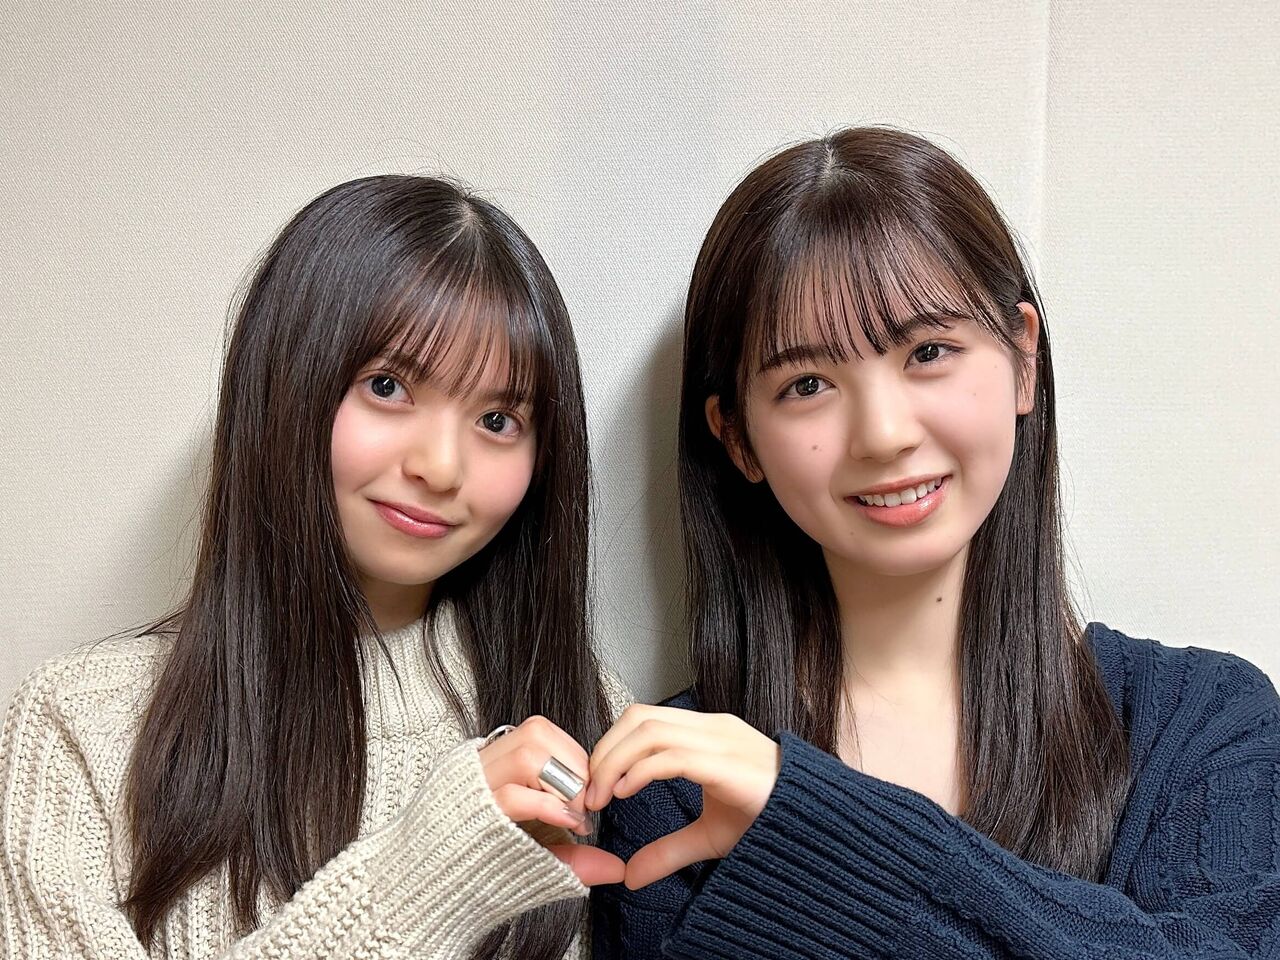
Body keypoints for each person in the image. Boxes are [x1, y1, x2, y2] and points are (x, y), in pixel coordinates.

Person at [586, 127, 1280, 958]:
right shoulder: (673, 786)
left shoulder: (1206, 723)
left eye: (928, 352)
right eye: (807, 384)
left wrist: (812, 825)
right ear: (737, 438)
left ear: (1023, 360)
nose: (884, 433)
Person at [0, 175, 629, 960]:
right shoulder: (83, 729)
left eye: (498, 419)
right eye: (388, 387)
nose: (440, 466)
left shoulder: (587, 719)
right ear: (285, 388)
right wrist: (430, 873)